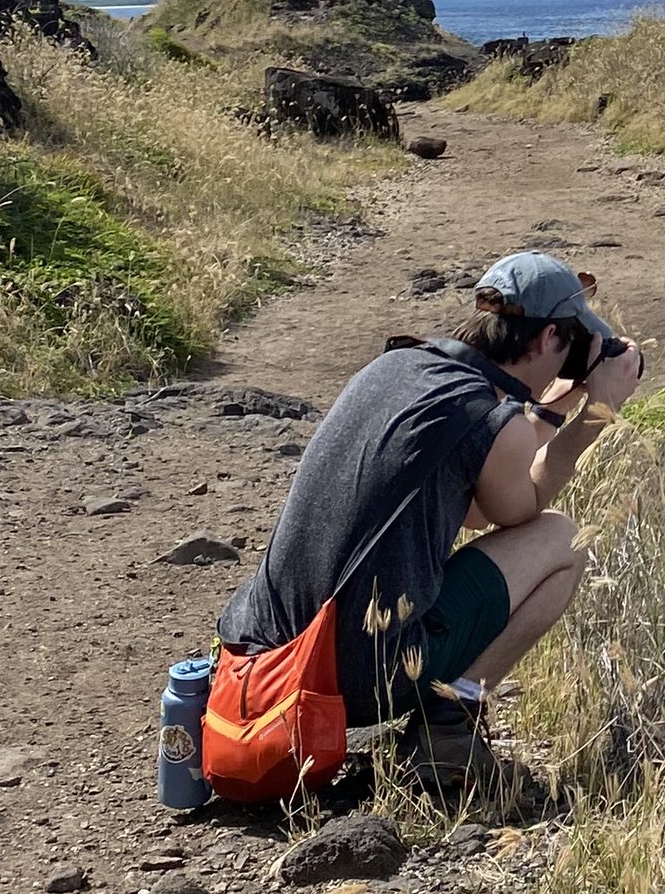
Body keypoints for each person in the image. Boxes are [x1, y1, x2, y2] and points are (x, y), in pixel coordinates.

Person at [214, 250, 643, 772]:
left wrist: (551, 405)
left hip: (263, 659)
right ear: (549, 338)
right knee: (563, 542)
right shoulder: (488, 416)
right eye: (573, 347)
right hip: (349, 677)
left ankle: (437, 720)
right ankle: (448, 723)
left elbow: (477, 492)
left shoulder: (397, 365)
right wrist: (597, 415)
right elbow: (514, 510)